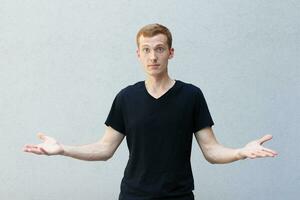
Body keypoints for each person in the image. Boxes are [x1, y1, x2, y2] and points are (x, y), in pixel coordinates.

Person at [23, 23, 278, 200]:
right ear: (138, 54)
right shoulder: (126, 97)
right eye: (146, 49)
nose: (153, 56)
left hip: (178, 197)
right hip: (134, 196)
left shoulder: (191, 96)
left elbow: (211, 150)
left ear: (170, 52)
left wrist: (240, 152)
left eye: (159, 49)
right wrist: (64, 149)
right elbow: (104, 148)